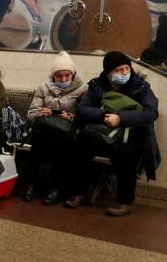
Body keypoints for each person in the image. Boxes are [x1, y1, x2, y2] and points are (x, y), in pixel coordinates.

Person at [62, 51, 160, 217]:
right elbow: (82, 109)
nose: (124, 73)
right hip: (102, 133)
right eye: (119, 70)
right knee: (80, 144)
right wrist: (103, 115)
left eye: (126, 68)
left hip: (130, 136)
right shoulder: (97, 86)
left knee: (125, 153)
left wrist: (121, 118)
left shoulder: (141, 87)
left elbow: (151, 113)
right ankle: (79, 193)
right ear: (108, 74)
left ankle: (124, 201)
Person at [22, 51, 87, 205]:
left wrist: (70, 117)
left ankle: (57, 188)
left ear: (72, 74)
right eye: (59, 76)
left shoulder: (83, 89)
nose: (63, 79)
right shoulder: (43, 88)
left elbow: (85, 116)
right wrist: (43, 113)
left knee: (61, 144)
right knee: (38, 141)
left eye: (67, 75)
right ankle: (30, 185)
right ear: (53, 75)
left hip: (67, 132)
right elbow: (31, 114)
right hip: (45, 129)